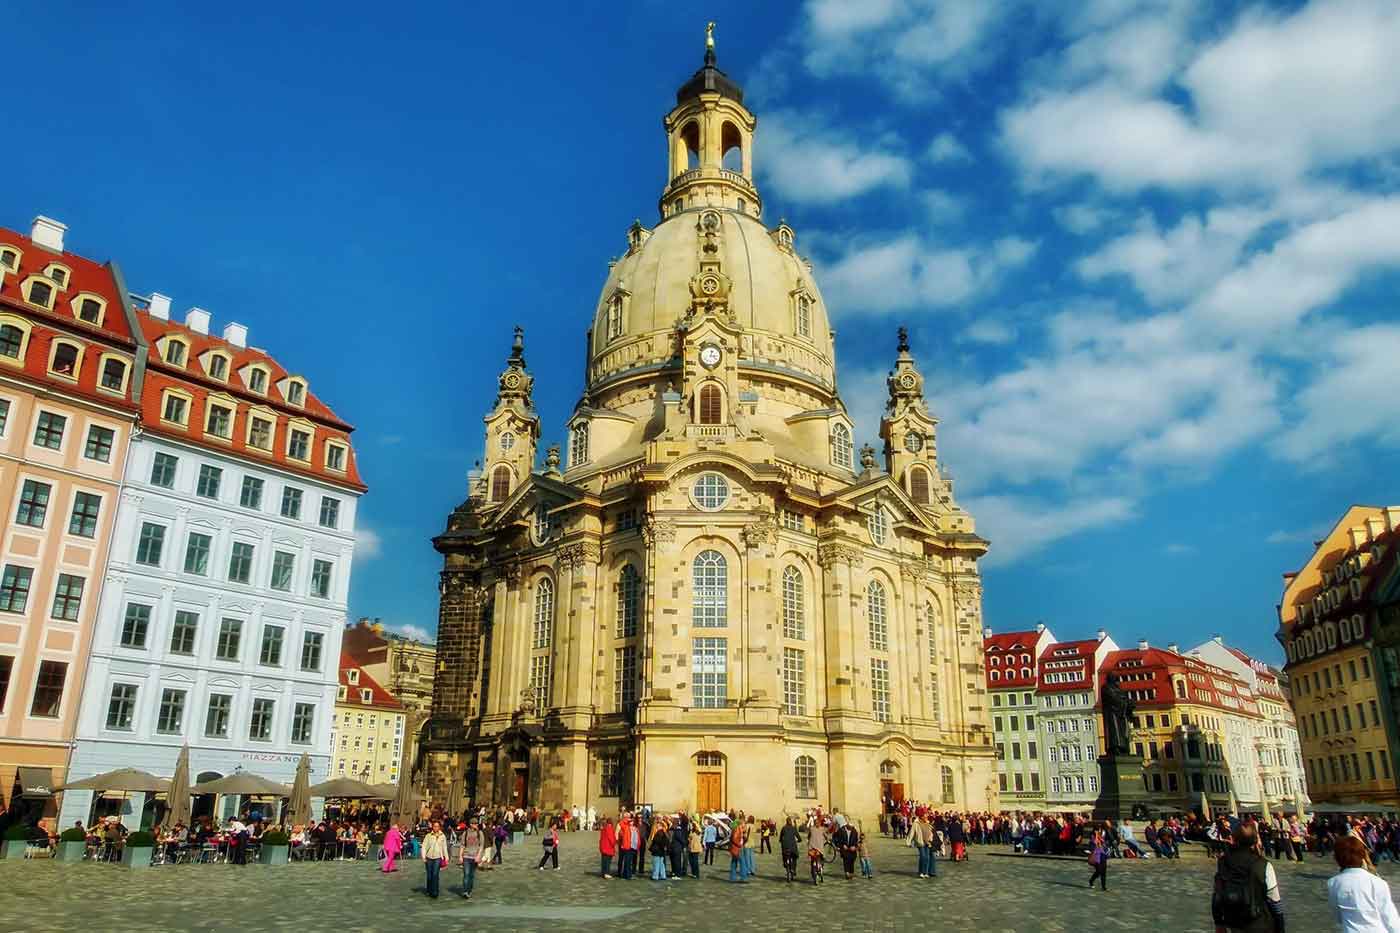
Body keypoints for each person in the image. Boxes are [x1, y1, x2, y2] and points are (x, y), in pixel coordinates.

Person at [1212, 824, 1285, 933]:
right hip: (1259, 923)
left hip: (1233, 922)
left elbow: (1217, 895)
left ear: (1234, 839)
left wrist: (1218, 923)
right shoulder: (1263, 864)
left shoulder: (1223, 862)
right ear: (1255, 840)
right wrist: (1280, 928)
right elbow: (1275, 901)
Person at [1329, 835, 1400, 932]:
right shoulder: (1378, 883)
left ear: (1337, 858)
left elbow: (1338, 916)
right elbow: (1390, 917)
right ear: (1362, 856)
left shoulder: (1333, 883)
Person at [421, 819, 448, 900]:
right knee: (429, 875)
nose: (436, 828)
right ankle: (429, 889)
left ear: (440, 827)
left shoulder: (442, 836)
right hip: (429, 857)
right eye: (434, 826)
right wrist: (423, 856)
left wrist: (446, 857)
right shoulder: (428, 836)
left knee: (435, 874)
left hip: (438, 857)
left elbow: (444, 847)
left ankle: (435, 892)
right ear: (432, 827)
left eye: (437, 826)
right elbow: (424, 846)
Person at [458, 818, 483, 900]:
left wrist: (478, 856)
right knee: (466, 874)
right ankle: (465, 891)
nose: (476, 825)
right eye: (474, 823)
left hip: (475, 857)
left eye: (476, 823)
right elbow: (462, 845)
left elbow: (481, 846)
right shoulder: (465, 833)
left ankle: (469, 890)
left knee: (471, 875)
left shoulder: (480, 833)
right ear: (471, 824)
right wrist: (460, 856)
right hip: (466, 856)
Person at [909, 811, 935, 879]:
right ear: (921, 817)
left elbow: (931, 832)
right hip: (920, 842)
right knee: (923, 856)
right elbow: (912, 832)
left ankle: (925, 872)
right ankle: (921, 872)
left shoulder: (927, 823)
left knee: (927, 857)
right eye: (925, 816)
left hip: (928, 842)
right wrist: (909, 842)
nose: (926, 817)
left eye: (926, 816)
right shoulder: (916, 824)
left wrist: (931, 839)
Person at [780, 816, 801, 883]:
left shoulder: (783, 828)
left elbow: (780, 837)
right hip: (792, 847)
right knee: (794, 857)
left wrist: (781, 840)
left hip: (785, 846)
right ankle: (793, 869)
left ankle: (785, 864)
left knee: (784, 855)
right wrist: (798, 840)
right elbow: (799, 837)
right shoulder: (793, 828)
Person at [727, 815, 748, 883]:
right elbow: (734, 839)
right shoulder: (737, 829)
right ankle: (743, 877)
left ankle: (732, 878)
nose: (745, 825)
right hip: (738, 848)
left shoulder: (738, 828)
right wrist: (740, 844)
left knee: (734, 862)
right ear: (741, 823)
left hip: (734, 848)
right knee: (743, 863)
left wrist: (744, 838)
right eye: (744, 824)